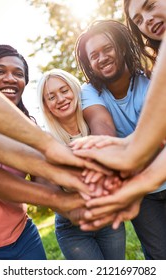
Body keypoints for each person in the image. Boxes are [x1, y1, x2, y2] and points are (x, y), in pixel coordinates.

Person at [73, 20, 166, 259]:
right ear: (89, 64)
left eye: (108, 48)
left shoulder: (151, 76)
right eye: (94, 55)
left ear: (122, 47)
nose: (102, 57)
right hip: (140, 191)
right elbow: (102, 127)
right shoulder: (90, 92)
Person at [0, 45, 89, 260]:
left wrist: (81, 195)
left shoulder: (29, 127)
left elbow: (42, 178)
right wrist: (61, 200)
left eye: (18, 74)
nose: (10, 78)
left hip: (24, 237)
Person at [36, 68, 125, 260]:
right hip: (73, 227)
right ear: (46, 105)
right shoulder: (47, 139)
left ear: (75, 90)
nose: (60, 99)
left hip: (109, 218)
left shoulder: (97, 123)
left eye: (64, 90)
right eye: (51, 97)